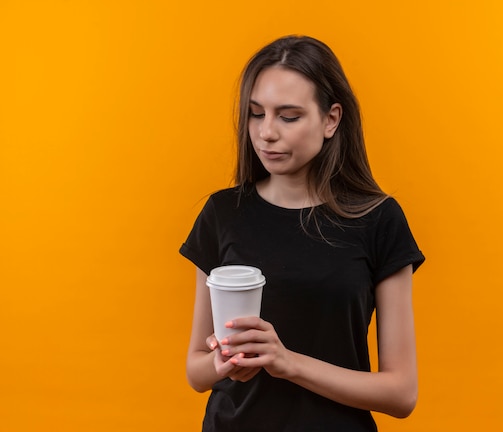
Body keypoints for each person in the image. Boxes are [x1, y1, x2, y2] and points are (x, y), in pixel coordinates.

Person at [179, 35, 425, 432]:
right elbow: (196, 370)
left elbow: (401, 393)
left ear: (331, 120)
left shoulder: (379, 220)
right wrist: (221, 362)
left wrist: (288, 363)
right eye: (256, 114)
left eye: (288, 116)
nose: (266, 133)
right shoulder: (222, 214)